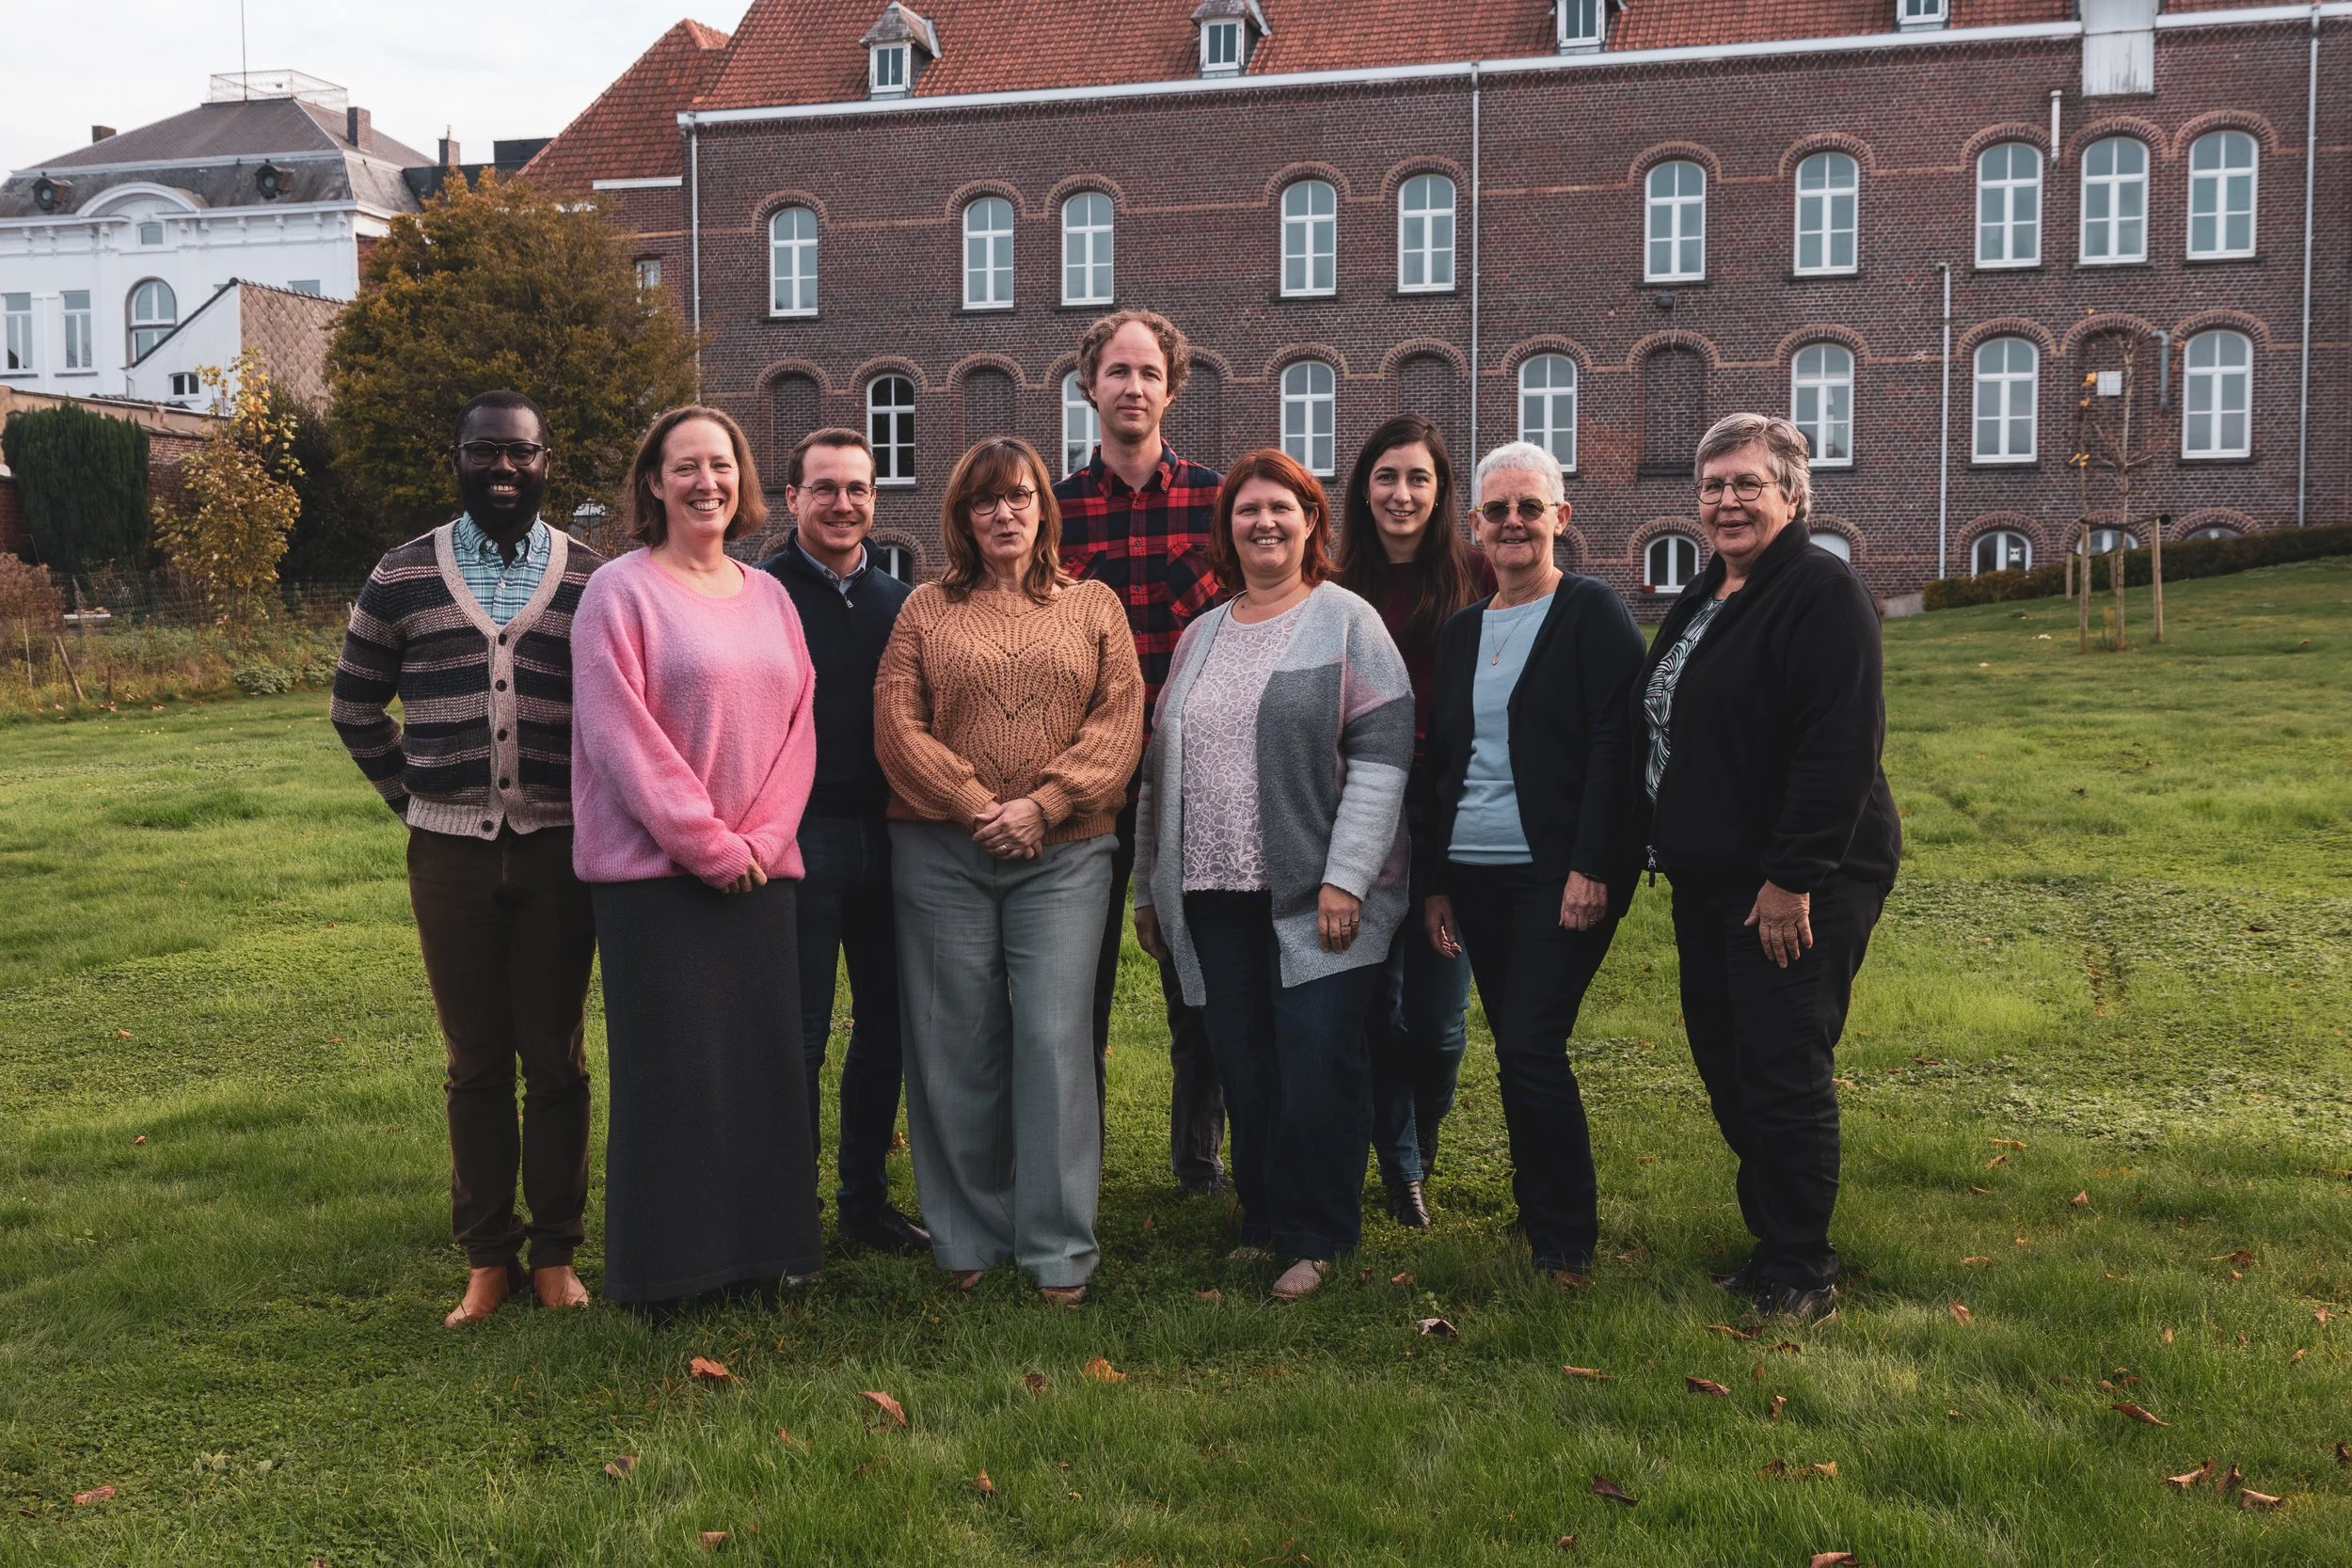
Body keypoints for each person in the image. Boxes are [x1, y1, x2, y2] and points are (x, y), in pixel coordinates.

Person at [332, 389, 605, 1327]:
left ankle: (556, 1251)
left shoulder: (591, 578)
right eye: (484, 452)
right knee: (476, 1059)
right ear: (454, 458)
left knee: (557, 1056)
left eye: (520, 454)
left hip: (560, 852)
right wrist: (414, 798)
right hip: (447, 858)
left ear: (544, 461)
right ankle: (487, 1254)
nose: (502, 468)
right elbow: (354, 705)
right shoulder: (402, 573)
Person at [1134, 450, 1413, 1302]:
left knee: (1317, 1057)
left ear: (1310, 523)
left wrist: (1349, 877)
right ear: (1228, 530)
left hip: (1318, 894)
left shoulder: (1346, 620)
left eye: (1282, 509)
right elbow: (1159, 770)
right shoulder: (1201, 633)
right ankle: (1261, 1219)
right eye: (1248, 510)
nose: (1265, 523)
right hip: (1214, 891)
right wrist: (1151, 885)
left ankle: (1316, 1231)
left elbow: (1382, 755)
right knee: (1245, 1060)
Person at [1640, 412, 1901, 1323]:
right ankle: (1770, 1243)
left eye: (1747, 483)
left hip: (1799, 880)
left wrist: (1792, 878)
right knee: (1728, 1061)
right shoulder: (1711, 591)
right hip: (1713, 878)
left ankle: (1802, 1266)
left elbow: (1839, 748)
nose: (1726, 501)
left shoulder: (1821, 593)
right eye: (1711, 486)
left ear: (1793, 493)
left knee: (1783, 1066)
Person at [875, 436, 1143, 1306]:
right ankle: (966, 1232)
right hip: (941, 850)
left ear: (1043, 509)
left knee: (1054, 1040)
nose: (1005, 513)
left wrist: (1045, 804)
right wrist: (972, 802)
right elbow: (896, 724)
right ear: (961, 516)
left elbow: (1119, 721)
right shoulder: (924, 608)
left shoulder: (1093, 604)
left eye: (1020, 497)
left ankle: (1058, 1244)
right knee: (953, 1038)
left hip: (1065, 854)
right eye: (985, 501)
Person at [570, 405, 823, 1309]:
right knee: (674, 1078)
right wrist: (708, 845)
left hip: (762, 877)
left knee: (760, 1071)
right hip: (656, 883)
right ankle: (669, 1271)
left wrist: (757, 842)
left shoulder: (772, 597)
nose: (706, 482)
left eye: (721, 464)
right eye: (685, 467)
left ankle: (764, 1255)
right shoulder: (619, 592)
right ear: (653, 482)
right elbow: (618, 735)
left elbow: (801, 731)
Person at [1421, 441, 1645, 1290]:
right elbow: (1447, 760)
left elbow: (1616, 746)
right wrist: (1438, 880)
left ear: (1561, 516)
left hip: (1560, 871)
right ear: (1474, 525)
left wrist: (1594, 864)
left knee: (1531, 1040)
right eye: (1495, 510)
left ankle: (1564, 1240)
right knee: (1518, 1047)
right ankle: (1537, 1211)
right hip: (1474, 872)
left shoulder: (1590, 613)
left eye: (1528, 506)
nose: (1512, 522)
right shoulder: (1463, 630)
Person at [1054, 309, 1229, 1196]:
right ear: (1090, 386)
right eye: (1117, 372)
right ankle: (1068, 1155)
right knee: (1073, 980)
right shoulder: (1051, 511)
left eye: (1149, 373)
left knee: (1195, 971)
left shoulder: (1218, 501)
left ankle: (1197, 1159)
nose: (1133, 387)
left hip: (1191, 774)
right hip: (1081, 779)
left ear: (1173, 386)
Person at [756, 428, 931, 1258]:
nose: (842, 503)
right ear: (791, 498)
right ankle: (786, 1215)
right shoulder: (759, 594)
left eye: (857, 488)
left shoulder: (902, 603)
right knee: (798, 1033)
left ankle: (865, 1200)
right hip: (798, 835)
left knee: (889, 1024)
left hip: (890, 834)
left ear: (875, 498)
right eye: (823, 487)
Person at [1333, 415, 1495, 1228]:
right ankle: (1401, 1171)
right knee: (1374, 1005)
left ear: (1441, 493)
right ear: (1364, 489)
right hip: (1359, 807)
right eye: (1386, 477)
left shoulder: (1474, 577)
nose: (1401, 494)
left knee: (1433, 1020)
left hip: (1449, 812)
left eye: (1418, 479)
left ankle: (1419, 1136)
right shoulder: (1333, 585)